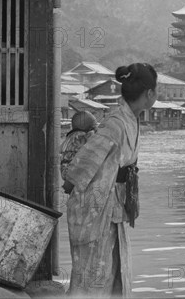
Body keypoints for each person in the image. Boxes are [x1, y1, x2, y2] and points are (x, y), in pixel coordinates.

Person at [64, 63, 157, 297]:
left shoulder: (131, 119)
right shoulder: (115, 123)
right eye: (157, 90)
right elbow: (85, 160)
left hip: (115, 203)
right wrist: (72, 184)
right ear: (149, 94)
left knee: (114, 266)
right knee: (96, 268)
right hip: (99, 202)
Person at [60, 111, 98, 194]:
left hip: (68, 179)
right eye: (95, 126)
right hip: (82, 181)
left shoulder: (68, 139)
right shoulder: (83, 137)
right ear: (89, 128)